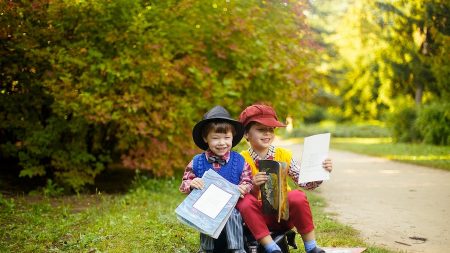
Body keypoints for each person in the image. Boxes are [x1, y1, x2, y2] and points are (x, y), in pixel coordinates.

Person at [236, 104, 333, 253]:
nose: (267, 133)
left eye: (271, 129)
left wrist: (319, 171)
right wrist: (253, 186)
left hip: (283, 215)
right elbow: (238, 194)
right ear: (246, 134)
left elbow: (305, 183)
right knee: (244, 201)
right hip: (257, 219)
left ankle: (311, 247)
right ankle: (271, 248)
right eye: (261, 129)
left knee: (297, 195)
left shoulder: (284, 155)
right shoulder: (240, 160)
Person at [179, 105, 253, 253]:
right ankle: (206, 249)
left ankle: (237, 248)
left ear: (232, 138)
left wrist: (243, 187)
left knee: (231, 214)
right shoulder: (198, 161)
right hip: (207, 206)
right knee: (207, 214)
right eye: (215, 138)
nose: (222, 142)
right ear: (206, 138)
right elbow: (185, 183)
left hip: (232, 206)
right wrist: (192, 183)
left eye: (226, 138)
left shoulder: (239, 161)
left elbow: (248, 180)